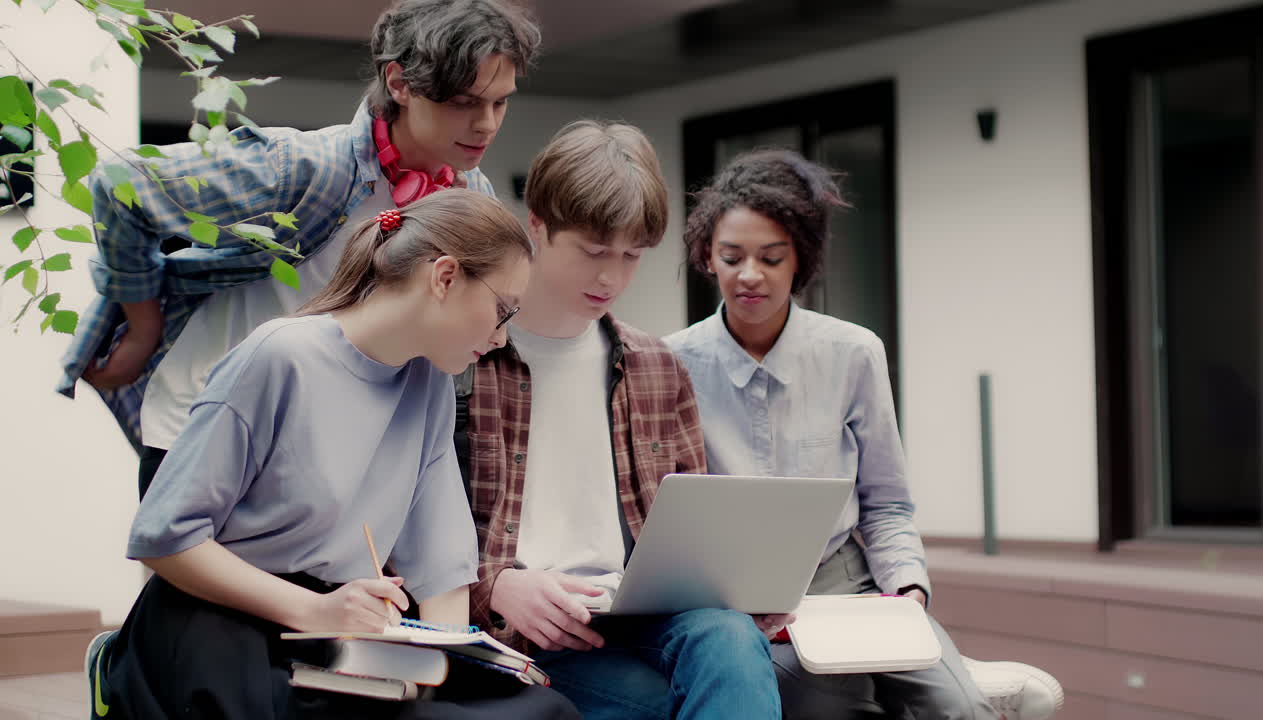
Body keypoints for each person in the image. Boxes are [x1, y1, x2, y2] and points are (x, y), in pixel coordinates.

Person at [85, 191, 580, 720]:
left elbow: (439, 570)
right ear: (445, 277)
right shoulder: (279, 356)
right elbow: (164, 538)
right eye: (503, 310)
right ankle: (116, 669)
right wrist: (314, 609)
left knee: (542, 713)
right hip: (221, 619)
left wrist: (442, 666)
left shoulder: (431, 383)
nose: (503, 338)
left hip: (340, 629)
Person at [55, 0, 540, 499]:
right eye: (464, 102)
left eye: (500, 102)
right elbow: (120, 182)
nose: (486, 124)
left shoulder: (472, 200)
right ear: (399, 83)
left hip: (339, 455)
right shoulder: (305, 167)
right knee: (190, 575)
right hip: (216, 432)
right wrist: (142, 326)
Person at [665, 149, 1063, 720]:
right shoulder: (672, 361)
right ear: (708, 256)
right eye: (733, 256)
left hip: (852, 591)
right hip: (741, 607)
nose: (749, 274)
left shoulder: (853, 352)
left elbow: (887, 502)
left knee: (959, 706)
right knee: (838, 706)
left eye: (771, 258)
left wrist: (909, 594)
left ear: (800, 260)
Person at [455, 120, 784, 719]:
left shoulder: (656, 364)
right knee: (661, 703)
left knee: (733, 638)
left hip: (638, 609)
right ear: (537, 224)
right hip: (520, 628)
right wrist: (494, 586)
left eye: (632, 256)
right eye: (593, 251)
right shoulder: (464, 356)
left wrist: (746, 590)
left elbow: (694, 530)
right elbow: (401, 526)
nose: (612, 276)